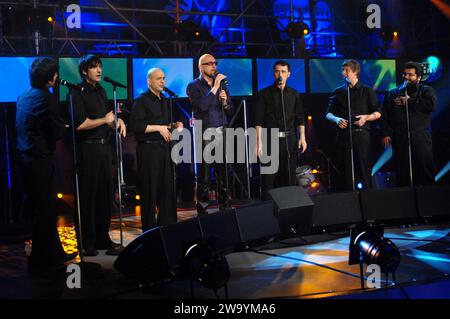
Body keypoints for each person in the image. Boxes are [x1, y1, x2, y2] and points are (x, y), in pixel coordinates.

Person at [16, 57, 77, 274]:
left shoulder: (23, 97)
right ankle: (44, 260)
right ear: (50, 77)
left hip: (25, 160)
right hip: (40, 161)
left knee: (41, 211)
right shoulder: (47, 99)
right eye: (55, 73)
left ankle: (54, 254)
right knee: (45, 212)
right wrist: (65, 126)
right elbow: (56, 131)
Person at [70, 55, 126, 256]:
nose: (99, 70)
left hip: (104, 148)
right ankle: (87, 242)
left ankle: (103, 238)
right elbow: (80, 124)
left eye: (100, 66)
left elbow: (109, 118)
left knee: (105, 195)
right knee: (88, 197)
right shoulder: (77, 92)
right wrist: (104, 120)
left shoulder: (102, 90)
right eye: (94, 67)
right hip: (88, 149)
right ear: (85, 71)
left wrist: (118, 122)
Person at [129, 68, 181, 231]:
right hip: (149, 150)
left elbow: (164, 126)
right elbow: (136, 126)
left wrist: (175, 126)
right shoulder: (141, 101)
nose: (162, 81)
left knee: (167, 188)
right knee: (150, 191)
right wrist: (159, 128)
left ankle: (168, 226)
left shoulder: (165, 100)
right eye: (158, 78)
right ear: (149, 81)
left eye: (163, 78)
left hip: (164, 149)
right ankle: (150, 230)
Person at [186, 54, 233, 214]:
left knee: (223, 172)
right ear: (201, 66)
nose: (214, 66)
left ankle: (225, 208)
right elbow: (201, 106)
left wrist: (225, 102)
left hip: (221, 130)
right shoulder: (193, 86)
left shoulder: (222, 86)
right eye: (210, 63)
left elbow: (230, 109)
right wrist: (215, 87)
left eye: (215, 63)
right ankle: (203, 211)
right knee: (205, 175)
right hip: (204, 132)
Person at [255, 60, 307, 199]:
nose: (280, 74)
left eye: (283, 72)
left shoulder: (294, 94)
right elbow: (258, 120)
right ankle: (266, 208)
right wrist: (258, 142)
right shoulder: (264, 94)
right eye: (278, 71)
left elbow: (300, 118)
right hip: (270, 139)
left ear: (288, 74)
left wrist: (302, 137)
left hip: (289, 140)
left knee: (289, 176)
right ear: (274, 73)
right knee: (269, 179)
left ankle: (289, 208)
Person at [326, 59, 380, 191]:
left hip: (361, 135)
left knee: (364, 167)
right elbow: (328, 113)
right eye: (342, 70)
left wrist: (366, 118)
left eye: (346, 70)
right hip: (344, 135)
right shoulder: (338, 92)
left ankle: (368, 198)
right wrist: (337, 119)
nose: (343, 73)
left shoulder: (367, 91)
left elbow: (378, 112)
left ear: (355, 72)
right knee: (345, 169)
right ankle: (348, 200)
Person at [380, 61, 437, 186]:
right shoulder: (393, 92)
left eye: (410, 75)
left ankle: (429, 198)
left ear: (419, 77)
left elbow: (431, 106)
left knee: (424, 168)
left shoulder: (426, 91)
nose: (406, 77)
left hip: (420, 136)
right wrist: (385, 133)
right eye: (405, 74)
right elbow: (385, 114)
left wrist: (409, 101)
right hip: (400, 137)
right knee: (402, 170)